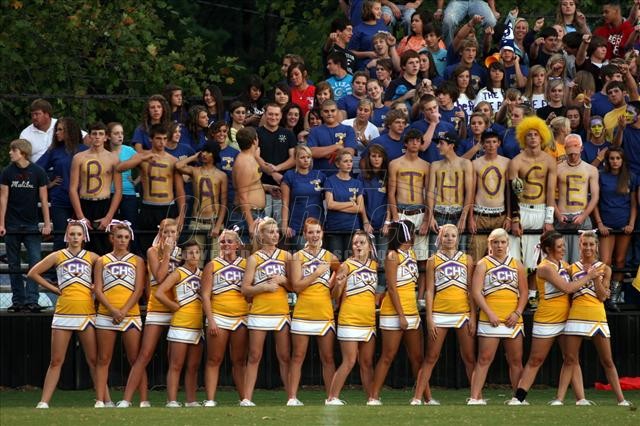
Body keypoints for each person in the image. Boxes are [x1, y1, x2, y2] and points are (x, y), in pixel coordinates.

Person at [512, 230, 603, 406]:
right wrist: (589, 276)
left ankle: (581, 399)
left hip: (567, 319)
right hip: (547, 319)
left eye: (563, 245)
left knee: (571, 358)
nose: (564, 249)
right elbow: (568, 288)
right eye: (560, 246)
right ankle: (518, 398)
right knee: (536, 360)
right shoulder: (544, 267)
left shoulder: (565, 264)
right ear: (548, 249)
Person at [28, 221, 104, 408]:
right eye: (72, 234)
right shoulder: (58, 255)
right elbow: (33, 273)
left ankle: (103, 400)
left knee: (93, 360)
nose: (75, 237)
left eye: (79, 234)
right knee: (56, 360)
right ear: (66, 236)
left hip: (86, 313)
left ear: (84, 237)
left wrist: (97, 287)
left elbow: (107, 272)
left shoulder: (93, 257)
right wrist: (54, 289)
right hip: (63, 313)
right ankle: (44, 402)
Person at [554, 231, 632, 406]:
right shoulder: (571, 268)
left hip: (597, 317)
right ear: (579, 245)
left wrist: (595, 278)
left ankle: (621, 399)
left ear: (597, 246)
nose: (588, 248)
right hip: (576, 316)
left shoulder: (605, 268)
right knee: (569, 359)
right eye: (584, 244)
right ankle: (559, 399)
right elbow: (567, 291)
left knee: (607, 361)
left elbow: (603, 297)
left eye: (591, 244)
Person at [117, 219, 180, 408]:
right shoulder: (152, 251)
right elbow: (159, 278)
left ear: (177, 234)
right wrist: (167, 254)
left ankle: (172, 400)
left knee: (174, 358)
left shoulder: (182, 252)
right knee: (144, 354)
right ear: (160, 233)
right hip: (157, 307)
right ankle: (127, 399)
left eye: (172, 232)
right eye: (165, 232)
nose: (169, 236)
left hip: (177, 308)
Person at [412, 224, 475, 405]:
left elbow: (471, 289)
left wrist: (473, 316)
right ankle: (417, 398)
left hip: (463, 313)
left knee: (469, 357)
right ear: (440, 238)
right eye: (446, 235)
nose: (449, 239)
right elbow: (430, 291)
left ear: (458, 238)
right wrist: (429, 318)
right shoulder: (433, 260)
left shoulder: (467, 259)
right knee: (431, 357)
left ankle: (475, 396)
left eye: (453, 236)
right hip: (440, 313)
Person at [468, 228, 527, 405]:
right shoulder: (483, 264)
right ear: (489, 244)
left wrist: (517, 313)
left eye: (502, 242)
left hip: (513, 320)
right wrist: (489, 313)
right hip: (490, 319)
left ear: (508, 244)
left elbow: (524, 293)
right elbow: (476, 292)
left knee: (515, 360)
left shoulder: (517, 264)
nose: (499, 246)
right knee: (484, 359)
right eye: (495, 242)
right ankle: (475, 398)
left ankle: (518, 398)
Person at [369, 220, 425, 405]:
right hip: (394, 312)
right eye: (411, 232)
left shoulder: (411, 254)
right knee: (388, 356)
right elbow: (392, 288)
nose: (413, 235)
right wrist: (401, 316)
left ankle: (425, 398)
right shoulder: (393, 256)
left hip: (412, 311)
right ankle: (373, 397)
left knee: (417, 357)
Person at [93, 220, 146, 408]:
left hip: (130, 315)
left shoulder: (137, 260)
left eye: (126, 237)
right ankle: (100, 400)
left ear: (130, 239)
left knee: (135, 359)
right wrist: (113, 310)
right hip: (106, 314)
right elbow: (98, 290)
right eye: (119, 237)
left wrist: (123, 311)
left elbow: (139, 290)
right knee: (103, 359)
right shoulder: (102, 260)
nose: (122, 240)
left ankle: (143, 400)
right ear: (112, 238)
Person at [288, 218, 341, 406]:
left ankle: (331, 397)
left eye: (317, 232)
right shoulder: (297, 257)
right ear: (304, 235)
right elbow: (296, 286)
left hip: (324, 312)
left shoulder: (330, 256)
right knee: (297, 356)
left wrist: (333, 284)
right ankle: (292, 398)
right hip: (303, 312)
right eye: (310, 232)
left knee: (328, 358)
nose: (314, 235)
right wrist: (317, 274)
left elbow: (340, 271)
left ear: (322, 233)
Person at [240, 217, 292, 406]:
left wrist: (284, 280)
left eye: (277, 231)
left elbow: (295, 286)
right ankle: (247, 399)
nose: (275, 235)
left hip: (281, 312)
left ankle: (291, 397)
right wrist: (263, 287)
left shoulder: (287, 256)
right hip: (259, 313)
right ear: (261, 236)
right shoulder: (253, 258)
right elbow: (245, 289)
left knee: (284, 356)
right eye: (271, 232)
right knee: (254, 356)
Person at [508, 116, 557, 309]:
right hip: (522, 209)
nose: (533, 138)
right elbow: (512, 193)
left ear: (542, 136)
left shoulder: (550, 161)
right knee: (516, 256)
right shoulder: (516, 161)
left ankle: (533, 294)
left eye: (536, 134)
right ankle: (517, 293)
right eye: (529, 135)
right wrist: (514, 218)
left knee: (536, 256)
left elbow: (551, 191)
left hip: (540, 209)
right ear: (523, 138)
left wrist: (549, 219)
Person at [325, 231, 378, 405]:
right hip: (350, 319)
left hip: (368, 320)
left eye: (362, 242)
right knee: (349, 360)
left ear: (369, 246)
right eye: (355, 243)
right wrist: (339, 285)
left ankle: (371, 398)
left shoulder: (374, 265)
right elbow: (334, 295)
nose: (358, 246)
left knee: (366, 362)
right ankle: (332, 398)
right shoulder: (346, 265)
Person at [0, 139, 52, 312]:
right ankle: (17, 301)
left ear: (22, 152)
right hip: (12, 225)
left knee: (35, 263)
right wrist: (1, 223)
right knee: (13, 265)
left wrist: (47, 223)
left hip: (31, 225)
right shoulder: (7, 172)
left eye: (13, 150)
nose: (10, 153)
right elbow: (3, 198)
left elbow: (44, 199)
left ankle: (32, 300)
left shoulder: (38, 171)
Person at [117, 124, 186, 252]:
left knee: (168, 248)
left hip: (168, 208)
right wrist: (141, 158)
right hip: (148, 208)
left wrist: (181, 216)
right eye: (158, 138)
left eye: (164, 139)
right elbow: (120, 168)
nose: (162, 142)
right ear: (151, 139)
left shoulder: (173, 160)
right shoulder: (143, 157)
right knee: (147, 248)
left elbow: (180, 190)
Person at [200, 227, 249, 406]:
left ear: (237, 245)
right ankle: (210, 399)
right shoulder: (212, 265)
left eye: (229, 241)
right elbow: (205, 295)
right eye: (222, 241)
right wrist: (211, 320)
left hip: (241, 318)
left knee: (239, 360)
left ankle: (244, 399)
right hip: (218, 317)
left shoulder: (246, 264)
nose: (226, 244)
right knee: (214, 359)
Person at [153, 240, 204, 408]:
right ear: (183, 255)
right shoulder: (178, 273)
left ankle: (191, 400)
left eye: (197, 252)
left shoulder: (202, 274)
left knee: (193, 366)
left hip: (197, 325)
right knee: (176, 365)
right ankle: (172, 400)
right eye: (190, 252)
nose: (194, 255)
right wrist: (173, 306)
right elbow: (159, 293)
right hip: (180, 324)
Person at [593, 147, 638, 311]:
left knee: (620, 261)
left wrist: (631, 224)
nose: (615, 161)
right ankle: (604, 294)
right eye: (612, 158)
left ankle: (614, 296)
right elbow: (595, 202)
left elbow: (633, 204)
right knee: (605, 261)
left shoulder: (630, 177)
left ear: (622, 160)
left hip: (624, 225)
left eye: (618, 158)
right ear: (607, 160)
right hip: (606, 225)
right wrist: (599, 224)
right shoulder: (600, 175)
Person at [387, 129, 430, 299]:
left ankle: (420, 297)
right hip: (401, 212)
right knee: (399, 254)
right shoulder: (395, 164)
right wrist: (395, 216)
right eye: (411, 140)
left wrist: (427, 218)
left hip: (419, 212)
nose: (414, 143)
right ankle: (399, 293)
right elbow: (391, 192)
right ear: (405, 143)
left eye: (418, 140)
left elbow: (428, 194)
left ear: (421, 144)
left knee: (422, 257)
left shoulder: (426, 166)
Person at [69, 122, 122, 255]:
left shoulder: (113, 159)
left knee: (105, 248)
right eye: (94, 134)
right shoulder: (79, 158)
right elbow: (73, 189)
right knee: (82, 247)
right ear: (89, 136)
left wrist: (109, 216)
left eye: (100, 134)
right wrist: (80, 216)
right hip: (84, 203)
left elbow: (118, 191)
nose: (97, 137)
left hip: (104, 203)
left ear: (106, 137)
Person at [36, 117, 87, 250]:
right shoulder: (54, 151)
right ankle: (57, 263)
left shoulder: (85, 150)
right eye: (56, 130)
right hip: (60, 199)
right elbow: (36, 169)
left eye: (60, 130)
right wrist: (49, 183)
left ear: (70, 131)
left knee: (84, 237)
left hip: (83, 199)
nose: (57, 133)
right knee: (60, 237)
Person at [175, 142, 227, 261]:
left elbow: (223, 202)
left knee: (215, 260)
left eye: (208, 152)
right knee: (195, 260)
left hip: (213, 221)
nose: (204, 154)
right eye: (203, 151)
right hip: (196, 222)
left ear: (214, 154)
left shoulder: (221, 175)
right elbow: (178, 165)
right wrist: (194, 157)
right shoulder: (195, 171)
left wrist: (218, 225)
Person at [426, 131, 473, 254]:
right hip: (439, 214)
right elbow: (430, 192)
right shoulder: (435, 165)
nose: (437, 146)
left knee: (461, 255)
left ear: (451, 145)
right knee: (435, 255)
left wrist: (464, 217)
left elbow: (469, 192)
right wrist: (430, 217)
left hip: (458, 213)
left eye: (441, 143)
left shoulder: (465, 164)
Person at [554, 135, 599, 263]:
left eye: (575, 153)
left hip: (581, 216)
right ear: (565, 149)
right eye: (570, 153)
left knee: (582, 260)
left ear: (581, 149)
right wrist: (558, 214)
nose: (573, 156)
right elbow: (549, 195)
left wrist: (584, 215)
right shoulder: (557, 168)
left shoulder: (591, 169)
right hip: (562, 217)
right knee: (560, 261)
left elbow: (595, 196)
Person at [468, 131, 510, 261]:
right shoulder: (475, 163)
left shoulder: (507, 163)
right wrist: (470, 217)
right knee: (476, 257)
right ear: (482, 144)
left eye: (494, 142)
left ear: (499, 143)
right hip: (479, 215)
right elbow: (471, 191)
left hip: (500, 215)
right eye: (487, 142)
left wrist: (509, 216)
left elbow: (509, 192)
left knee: (500, 257)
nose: (491, 145)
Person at [256, 103, 297, 225]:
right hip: (262, 187)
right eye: (270, 114)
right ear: (265, 114)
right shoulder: (257, 133)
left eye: (276, 114)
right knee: (263, 225)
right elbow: (255, 156)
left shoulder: (288, 134)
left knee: (281, 225)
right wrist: (271, 172)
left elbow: (294, 158)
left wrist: (276, 169)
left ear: (281, 116)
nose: (273, 117)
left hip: (283, 187)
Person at [324, 150, 368, 260]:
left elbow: (360, 208)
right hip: (334, 228)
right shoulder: (330, 181)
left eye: (351, 161)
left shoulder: (357, 183)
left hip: (352, 228)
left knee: (351, 262)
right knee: (336, 262)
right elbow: (330, 204)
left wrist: (338, 206)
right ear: (338, 164)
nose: (349, 164)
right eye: (345, 161)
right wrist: (350, 203)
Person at [281, 145, 326, 250]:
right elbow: (285, 202)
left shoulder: (319, 175)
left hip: (317, 226)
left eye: (308, 157)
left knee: (317, 257)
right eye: (302, 157)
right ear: (296, 159)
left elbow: (327, 197)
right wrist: (284, 224)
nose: (306, 160)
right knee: (301, 258)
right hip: (297, 226)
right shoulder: (289, 175)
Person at [231, 127, 266, 238]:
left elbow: (250, 184)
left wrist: (268, 188)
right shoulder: (244, 163)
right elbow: (242, 195)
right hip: (246, 216)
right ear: (254, 140)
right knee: (245, 248)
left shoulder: (250, 159)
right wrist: (251, 224)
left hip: (255, 214)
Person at [107, 122, 138, 247]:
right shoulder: (104, 151)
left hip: (128, 192)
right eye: (116, 133)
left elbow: (144, 166)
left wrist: (136, 180)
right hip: (109, 193)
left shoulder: (129, 150)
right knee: (111, 228)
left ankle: (131, 253)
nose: (120, 136)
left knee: (130, 226)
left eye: (121, 133)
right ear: (108, 136)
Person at [307, 100, 358, 176]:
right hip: (319, 176)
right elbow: (312, 152)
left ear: (338, 112)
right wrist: (337, 147)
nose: (329, 114)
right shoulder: (314, 131)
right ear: (321, 113)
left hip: (344, 177)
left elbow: (350, 152)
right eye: (326, 111)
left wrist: (325, 152)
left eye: (333, 111)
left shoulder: (348, 129)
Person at [348, 1, 388, 71]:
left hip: (384, 64)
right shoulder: (358, 30)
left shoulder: (382, 25)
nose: (380, 12)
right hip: (366, 66)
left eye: (380, 9)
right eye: (377, 9)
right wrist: (368, 54)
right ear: (368, 10)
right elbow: (350, 52)